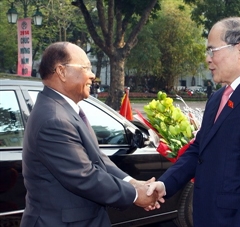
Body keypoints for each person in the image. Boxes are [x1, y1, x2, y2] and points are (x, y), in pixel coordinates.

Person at [147, 17, 240, 227]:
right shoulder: (219, 96)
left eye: (213, 50)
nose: (208, 59)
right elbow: (199, 150)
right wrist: (165, 184)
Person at [21, 42, 160, 227]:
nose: (92, 75)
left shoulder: (64, 110)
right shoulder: (54, 119)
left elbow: (97, 159)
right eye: (86, 67)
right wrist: (136, 195)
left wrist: (133, 182)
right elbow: (84, 176)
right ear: (61, 72)